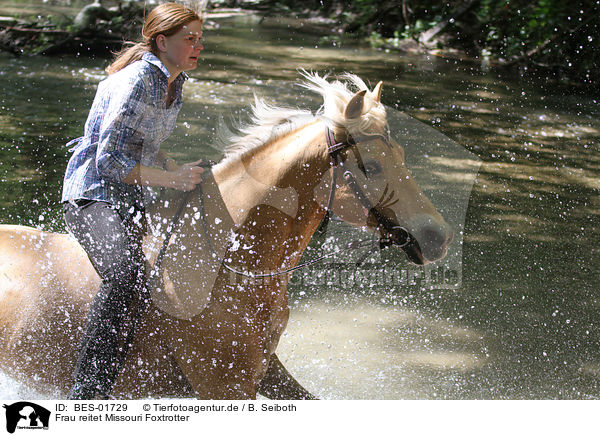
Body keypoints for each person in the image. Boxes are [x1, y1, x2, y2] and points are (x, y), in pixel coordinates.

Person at [61, 2, 205, 400]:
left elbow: (141, 142)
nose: (198, 46)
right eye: (189, 38)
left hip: (131, 193)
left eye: (200, 39)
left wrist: (175, 166)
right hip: (91, 194)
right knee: (125, 275)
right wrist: (173, 179)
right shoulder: (140, 78)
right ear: (162, 41)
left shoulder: (175, 83)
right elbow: (108, 160)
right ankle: (86, 393)